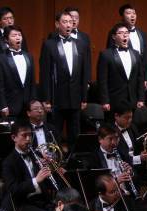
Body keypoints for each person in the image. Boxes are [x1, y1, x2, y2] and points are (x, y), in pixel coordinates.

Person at [39, 11, 90, 146]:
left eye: (70, 22)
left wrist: (84, 97)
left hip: (75, 97)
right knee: (55, 133)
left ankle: (73, 162)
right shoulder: (49, 44)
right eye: (65, 22)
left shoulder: (80, 44)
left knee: (75, 133)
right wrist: (46, 99)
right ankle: (56, 163)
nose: (69, 25)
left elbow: (85, 73)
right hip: (57, 98)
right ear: (57, 24)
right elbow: (44, 73)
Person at [1, 121, 55, 211]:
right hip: (21, 204)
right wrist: (36, 180)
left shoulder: (36, 154)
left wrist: (50, 169)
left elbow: (47, 182)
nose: (28, 139)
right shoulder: (8, 162)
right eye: (24, 135)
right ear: (14, 137)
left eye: (30, 135)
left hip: (41, 200)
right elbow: (14, 190)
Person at [97, 23, 145, 112]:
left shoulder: (136, 54)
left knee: (131, 125)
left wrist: (141, 98)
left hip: (132, 99)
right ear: (114, 37)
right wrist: (105, 101)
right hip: (113, 100)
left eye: (127, 32)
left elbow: (140, 77)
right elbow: (102, 80)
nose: (125, 35)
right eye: (121, 33)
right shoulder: (106, 54)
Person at [0, 26, 36, 119]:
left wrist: (33, 102)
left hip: (27, 106)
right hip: (10, 105)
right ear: (6, 40)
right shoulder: (0, 59)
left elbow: (32, 82)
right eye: (14, 35)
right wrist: (3, 106)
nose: (18, 37)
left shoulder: (29, 56)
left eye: (19, 35)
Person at [0, 6, 29, 93]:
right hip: (0, 80)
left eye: (11, 18)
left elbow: (25, 55)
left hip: (19, 78)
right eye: (6, 19)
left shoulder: (19, 34)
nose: (10, 21)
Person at [106, 3, 147, 89]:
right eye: (129, 13)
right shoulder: (114, 32)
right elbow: (110, 55)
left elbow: (146, 57)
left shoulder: (142, 34)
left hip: (140, 75)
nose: (132, 16)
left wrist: (146, 77)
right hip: (122, 76)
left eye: (134, 13)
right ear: (122, 17)